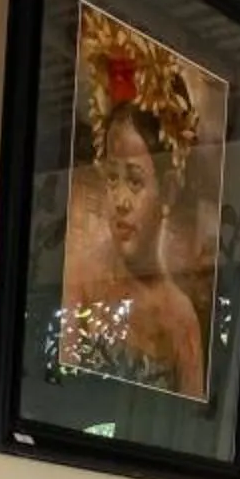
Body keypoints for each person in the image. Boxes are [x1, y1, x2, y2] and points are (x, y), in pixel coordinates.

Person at [61, 92, 208, 400]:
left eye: (135, 181)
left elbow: (193, 418)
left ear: (168, 192)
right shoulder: (81, 280)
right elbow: (58, 389)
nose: (121, 201)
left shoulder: (181, 320)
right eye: (112, 179)